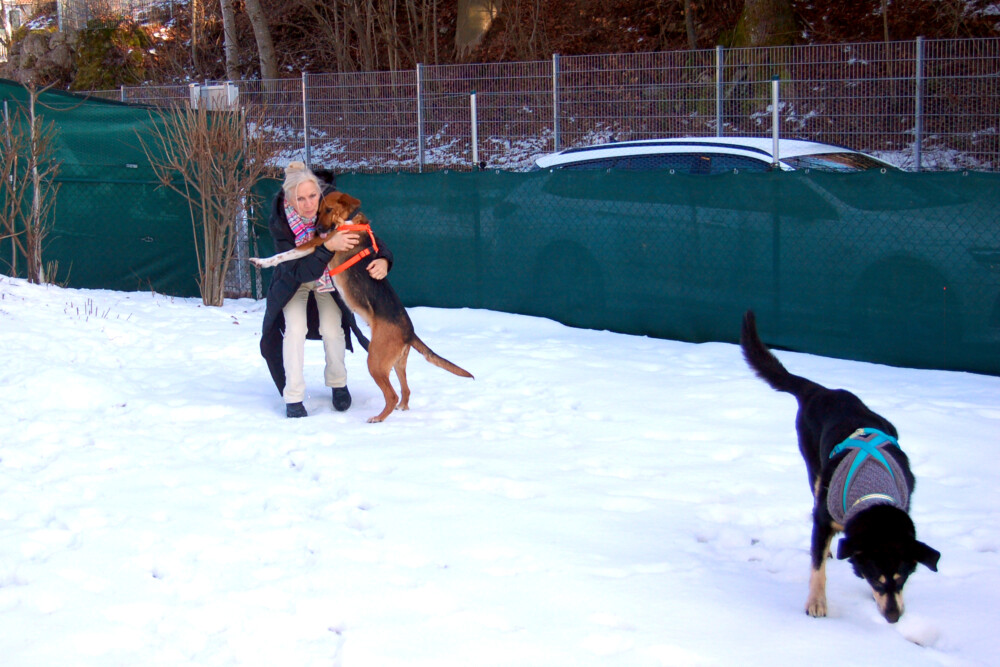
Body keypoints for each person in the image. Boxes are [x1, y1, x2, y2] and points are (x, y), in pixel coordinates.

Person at [259, 162, 393, 418]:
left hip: (329, 279)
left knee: (332, 329)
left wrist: (384, 259)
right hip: (294, 280)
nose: (309, 204)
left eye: (312, 196)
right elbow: (300, 272)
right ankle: (293, 397)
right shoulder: (280, 221)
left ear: (319, 191)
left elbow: (368, 233)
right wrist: (329, 246)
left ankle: (338, 384)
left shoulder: (333, 202)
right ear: (289, 199)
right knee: (294, 330)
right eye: (300, 199)